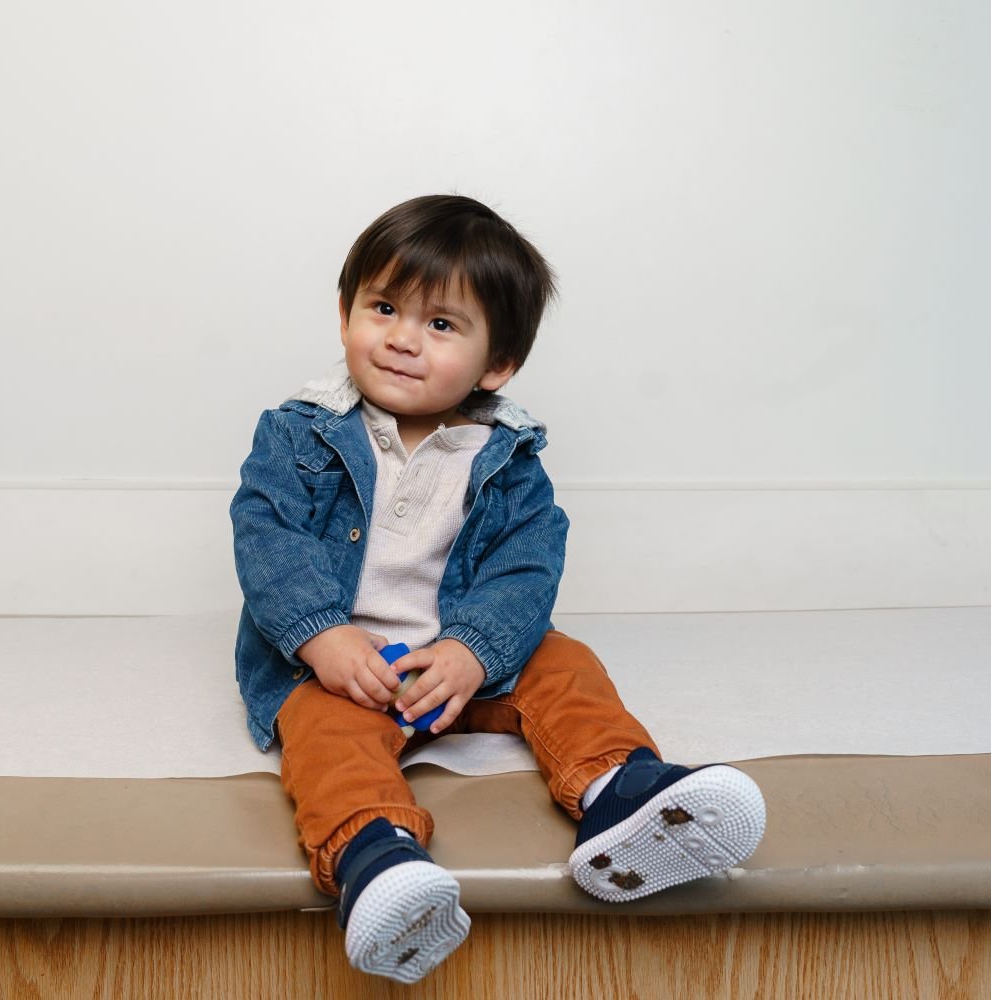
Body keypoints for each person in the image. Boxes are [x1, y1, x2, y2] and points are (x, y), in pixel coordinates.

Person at [230, 194, 766, 983]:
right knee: (323, 732)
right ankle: (375, 856)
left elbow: (527, 566)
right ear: (345, 311)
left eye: (441, 325)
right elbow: (265, 534)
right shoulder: (297, 432)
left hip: (463, 661)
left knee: (563, 663)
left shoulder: (507, 456)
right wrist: (320, 635)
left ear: (496, 364)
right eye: (383, 308)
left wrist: (473, 652)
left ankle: (620, 790)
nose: (403, 339)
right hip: (343, 668)